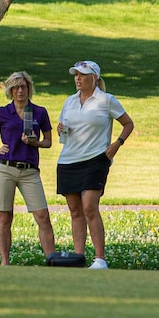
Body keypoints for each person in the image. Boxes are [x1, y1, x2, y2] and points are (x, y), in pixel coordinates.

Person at [55, 60, 135, 269]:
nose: (77, 79)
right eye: (76, 75)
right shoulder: (69, 101)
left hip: (95, 159)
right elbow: (64, 131)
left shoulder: (106, 100)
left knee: (90, 206)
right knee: (75, 211)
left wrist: (117, 144)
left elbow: (128, 123)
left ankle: (100, 259)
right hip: (68, 160)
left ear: (94, 78)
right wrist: (61, 129)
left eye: (82, 75)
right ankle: (78, 257)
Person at [0, 70, 56, 265]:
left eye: (23, 87)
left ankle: (52, 261)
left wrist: (34, 143)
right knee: (5, 216)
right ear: (10, 91)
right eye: (16, 87)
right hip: (6, 169)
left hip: (29, 170)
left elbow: (48, 142)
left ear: (29, 89)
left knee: (42, 216)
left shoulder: (39, 112)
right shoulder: (3, 112)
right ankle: (5, 262)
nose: (20, 91)